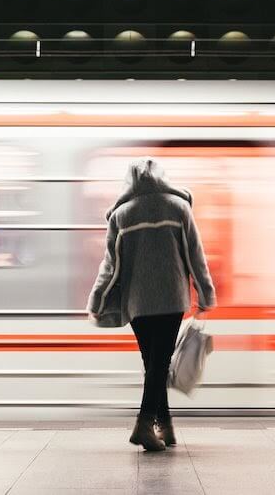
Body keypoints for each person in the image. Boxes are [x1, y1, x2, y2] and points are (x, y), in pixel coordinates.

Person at [87, 158, 216, 452]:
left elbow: (110, 266)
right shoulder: (179, 208)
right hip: (172, 299)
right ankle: (145, 424)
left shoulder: (122, 215)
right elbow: (196, 255)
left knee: (153, 364)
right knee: (159, 364)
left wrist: (97, 298)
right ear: (162, 179)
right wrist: (205, 294)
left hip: (137, 303)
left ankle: (165, 426)